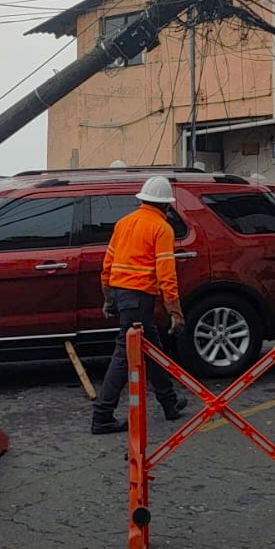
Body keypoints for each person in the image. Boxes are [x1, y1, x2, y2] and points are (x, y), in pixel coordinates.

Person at [91, 176, 188, 435]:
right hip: (139, 298)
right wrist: (176, 313)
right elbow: (167, 274)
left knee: (152, 348)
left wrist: (109, 298)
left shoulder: (124, 224)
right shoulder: (161, 228)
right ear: (166, 206)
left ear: (143, 200)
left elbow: (107, 265)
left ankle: (169, 403)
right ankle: (102, 416)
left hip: (124, 295)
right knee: (124, 355)